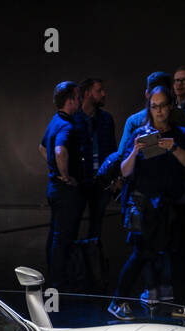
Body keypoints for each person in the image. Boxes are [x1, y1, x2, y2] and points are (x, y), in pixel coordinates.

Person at [100, 86, 185, 319]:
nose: (159, 111)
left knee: (177, 254)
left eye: (163, 105)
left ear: (170, 106)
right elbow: (125, 170)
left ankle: (181, 303)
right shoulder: (142, 134)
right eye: (155, 106)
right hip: (145, 205)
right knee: (142, 253)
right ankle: (118, 301)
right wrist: (134, 151)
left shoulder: (180, 133)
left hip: (173, 203)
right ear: (149, 108)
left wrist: (172, 147)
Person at [40, 81, 86, 290]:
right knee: (63, 236)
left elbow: (42, 147)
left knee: (55, 233)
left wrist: (53, 170)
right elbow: (59, 150)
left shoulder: (55, 121)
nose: (80, 100)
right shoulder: (66, 125)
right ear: (70, 101)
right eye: (78, 97)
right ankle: (58, 282)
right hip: (64, 191)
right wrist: (65, 176)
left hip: (54, 188)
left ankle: (54, 277)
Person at [77, 77, 118, 245]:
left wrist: (114, 178)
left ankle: (93, 263)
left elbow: (112, 150)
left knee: (96, 226)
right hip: (80, 181)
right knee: (72, 225)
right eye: (99, 90)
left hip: (101, 182)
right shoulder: (74, 117)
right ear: (87, 94)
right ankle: (73, 266)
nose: (103, 94)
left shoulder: (106, 119)